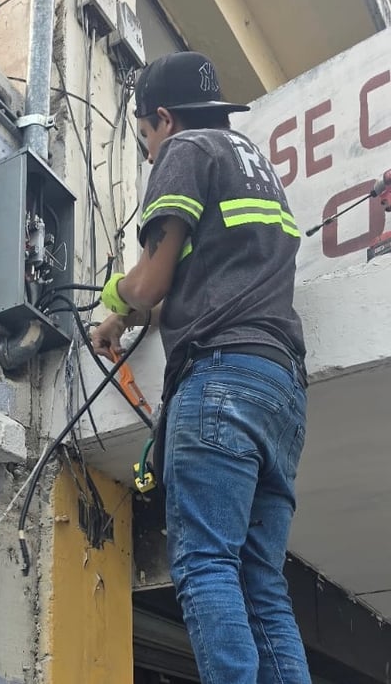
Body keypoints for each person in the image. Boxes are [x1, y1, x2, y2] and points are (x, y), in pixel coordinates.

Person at [91, 51, 311, 683]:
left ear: (163, 119)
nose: (149, 152)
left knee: (206, 564)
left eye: (144, 140)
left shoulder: (186, 152)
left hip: (220, 381)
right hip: (281, 391)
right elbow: (204, 271)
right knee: (261, 583)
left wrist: (113, 304)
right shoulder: (257, 167)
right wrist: (132, 312)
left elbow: (153, 278)